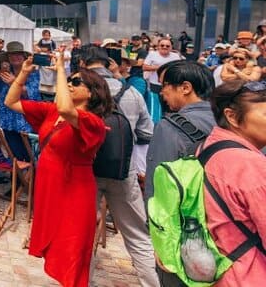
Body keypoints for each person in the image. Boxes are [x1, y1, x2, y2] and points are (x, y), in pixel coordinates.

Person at [4, 51, 108, 287]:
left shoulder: (93, 122)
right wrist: (24, 73)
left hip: (74, 192)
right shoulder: (52, 111)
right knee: (56, 248)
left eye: (76, 81)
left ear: (92, 92)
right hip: (51, 188)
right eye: (69, 80)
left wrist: (61, 70)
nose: (70, 84)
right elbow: (11, 102)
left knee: (70, 254)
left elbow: (65, 109)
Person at [80, 46, 158, 287]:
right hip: (124, 171)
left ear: (83, 62)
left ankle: (82, 282)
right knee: (137, 236)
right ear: (108, 63)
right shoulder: (131, 92)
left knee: (83, 236)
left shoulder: (77, 89)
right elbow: (147, 132)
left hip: (86, 172)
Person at [143, 60, 216, 287]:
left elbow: (160, 190)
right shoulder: (234, 120)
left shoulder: (171, 126)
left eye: (165, 85)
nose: (162, 92)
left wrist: (161, 242)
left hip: (188, 235)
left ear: (185, 87)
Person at [198, 79, 266, 285]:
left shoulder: (209, 146)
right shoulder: (251, 165)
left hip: (219, 270)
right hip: (249, 275)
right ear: (232, 116)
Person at [0, 41, 41, 160]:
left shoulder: (33, 74)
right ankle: (16, 178)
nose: (15, 57)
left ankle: (29, 178)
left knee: (29, 157)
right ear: (8, 58)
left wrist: (13, 83)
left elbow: (32, 94)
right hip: (7, 121)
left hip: (25, 123)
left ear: (24, 57)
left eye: (19, 54)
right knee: (14, 157)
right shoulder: (6, 74)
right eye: (12, 55)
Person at [143, 38, 183, 105]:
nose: (164, 47)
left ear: (171, 47)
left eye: (167, 46)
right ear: (158, 46)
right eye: (162, 45)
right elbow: (144, 67)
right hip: (155, 84)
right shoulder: (152, 54)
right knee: (155, 104)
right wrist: (160, 68)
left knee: (169, 104)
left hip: (170, 85)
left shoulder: (176, 56)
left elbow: (180, 69)